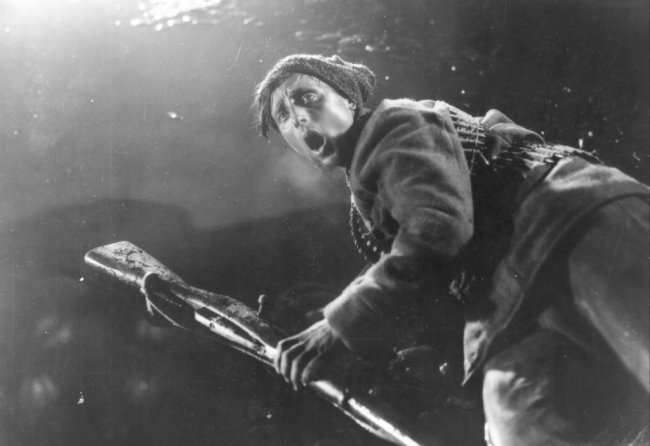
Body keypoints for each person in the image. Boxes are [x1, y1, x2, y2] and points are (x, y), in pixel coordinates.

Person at [252, 54, 649, 445]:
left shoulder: (396, 123)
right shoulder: (366, 189)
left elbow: (435, 230)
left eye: (307, 97)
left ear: (348, 99)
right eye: (283, 115)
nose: (298, 117)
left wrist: (337, 325)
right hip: (515, 288)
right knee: (515, 411)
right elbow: (425, 260)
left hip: (570, 222)